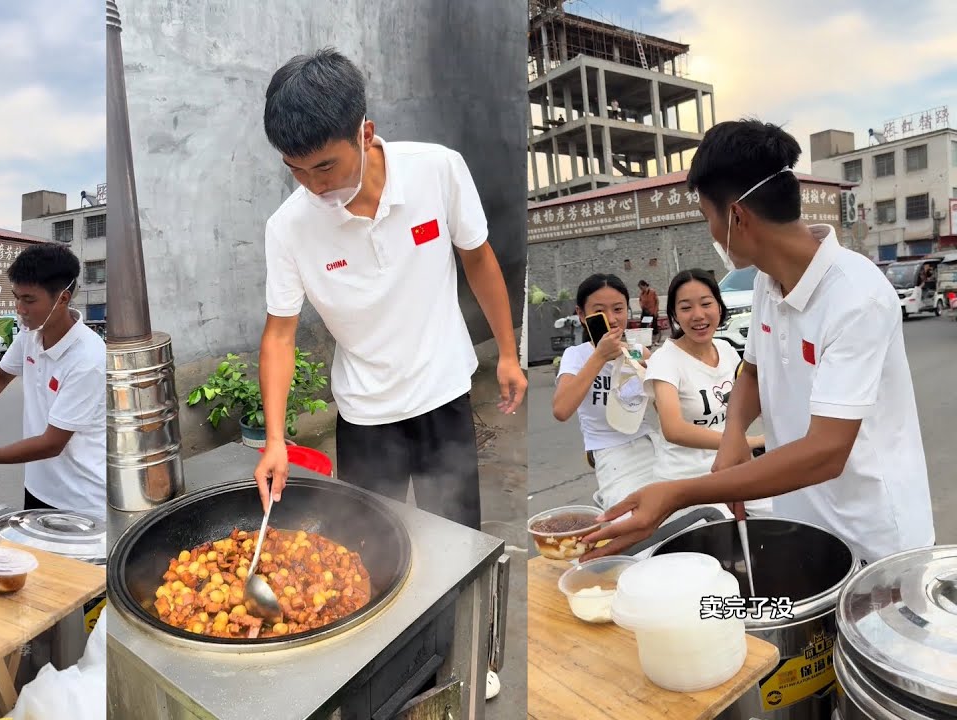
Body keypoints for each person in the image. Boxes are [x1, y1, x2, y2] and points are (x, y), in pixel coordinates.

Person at [583, 119, 935, 564]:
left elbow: (827, 451)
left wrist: (677, 494)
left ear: (736, 216)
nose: (710, 230)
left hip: (876, 535)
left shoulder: (856, 297)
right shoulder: (770, 281)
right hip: (803, 514)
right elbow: (753, 368)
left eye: (707, 216)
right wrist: (732, 434)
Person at [252, 48, 527, 531]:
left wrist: (507, 351)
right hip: (365, 414)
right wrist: (275, 438)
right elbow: (279, 335)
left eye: (325, 167)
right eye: (295, 170)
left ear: (365, 133)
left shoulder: (437, 170)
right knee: (369, 552)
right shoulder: (288, 228)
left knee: (457, 541)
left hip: (443, 393)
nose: (312, 186)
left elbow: (478, 258)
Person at [0, 244, 107, 514]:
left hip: (79, 501)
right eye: (16, 297)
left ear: (62, 298)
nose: (20, 308)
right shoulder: (30, 334)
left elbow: (51, 443)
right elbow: (2, 374)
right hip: (38, 488)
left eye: (29, 300)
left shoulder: (88, 359)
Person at [644, 270, 771, 517]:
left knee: (784, 515)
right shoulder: (664, 360)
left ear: (719, 307)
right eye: (686, 307)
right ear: (674, 315)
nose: (698, 315)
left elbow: (747, 403)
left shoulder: (726, 350)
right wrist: (749, 442)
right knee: (717, 536)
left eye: (706, 304)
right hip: (687, 478)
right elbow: (673, 429)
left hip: (735, 467)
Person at [552, 274, 657, 509]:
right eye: (600, 311)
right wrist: (600, 355)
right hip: (608, 450)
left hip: (648, 443)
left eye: (618, 309)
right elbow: (561, 409)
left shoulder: (638, 352)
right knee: (628, 516)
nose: (611, 319)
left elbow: (665, 405)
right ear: (582, 315)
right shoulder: (577, 355)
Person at [637, 280, 660, 344]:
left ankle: (655, 340)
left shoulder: (652, 292)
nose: (641, 289)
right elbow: (640, 301)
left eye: (641, 288)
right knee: (643, 326)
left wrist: (656, 310)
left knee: (654, 326)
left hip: (653, 311)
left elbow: (657, 301)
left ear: (645, 286)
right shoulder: (642, 294)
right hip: (645, 311)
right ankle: (645, 339)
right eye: (640, 288)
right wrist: (642, 307)